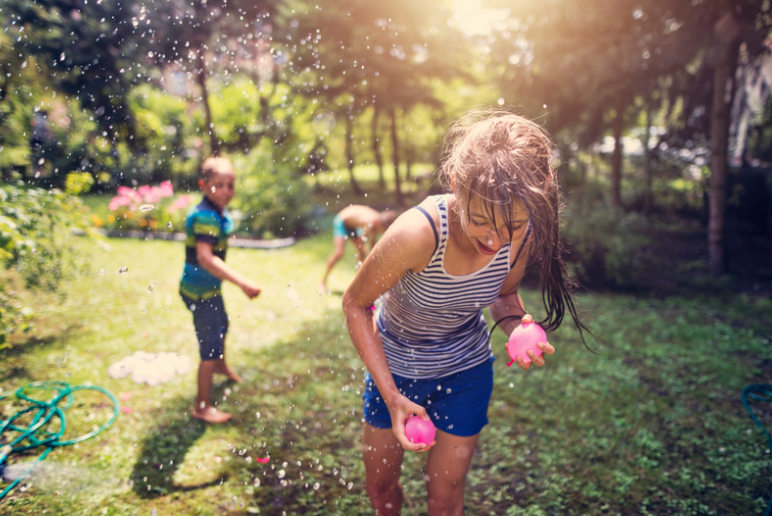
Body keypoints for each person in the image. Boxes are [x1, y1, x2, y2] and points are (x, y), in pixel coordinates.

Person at [342, 111, 588, 516]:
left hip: (465, 372)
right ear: (456, 186)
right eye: (479, 222)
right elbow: (355, 302)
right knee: (381, 490)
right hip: (396, 372)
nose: (494, 241)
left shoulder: (521, 232)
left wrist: (514, 326)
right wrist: (391, 396)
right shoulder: (416, 234)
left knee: (445, 498)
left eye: (510, 226)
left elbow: (505, 297)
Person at [179, 157, 262, 424]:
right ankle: (201, 406)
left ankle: (221, 366)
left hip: (208, 289)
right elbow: (205, 257)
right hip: (199, 292)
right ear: (203, 185)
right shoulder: (205, 215)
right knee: (210, 346)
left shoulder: (213, 210)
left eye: (230, 185)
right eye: (218, 185)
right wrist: (243, 283)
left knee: (222, 325)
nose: (226, 191)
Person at [319, 205, 396, 294]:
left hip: (353, 226)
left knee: (362, 253)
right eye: (382, 231)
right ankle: (322, 283)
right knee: (339, 253)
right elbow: (363, 241)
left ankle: (358, 284)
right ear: (378, 224)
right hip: (342, 221)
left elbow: (372, 245)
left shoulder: (377, 222)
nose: (381, 233)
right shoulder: (371, 222)